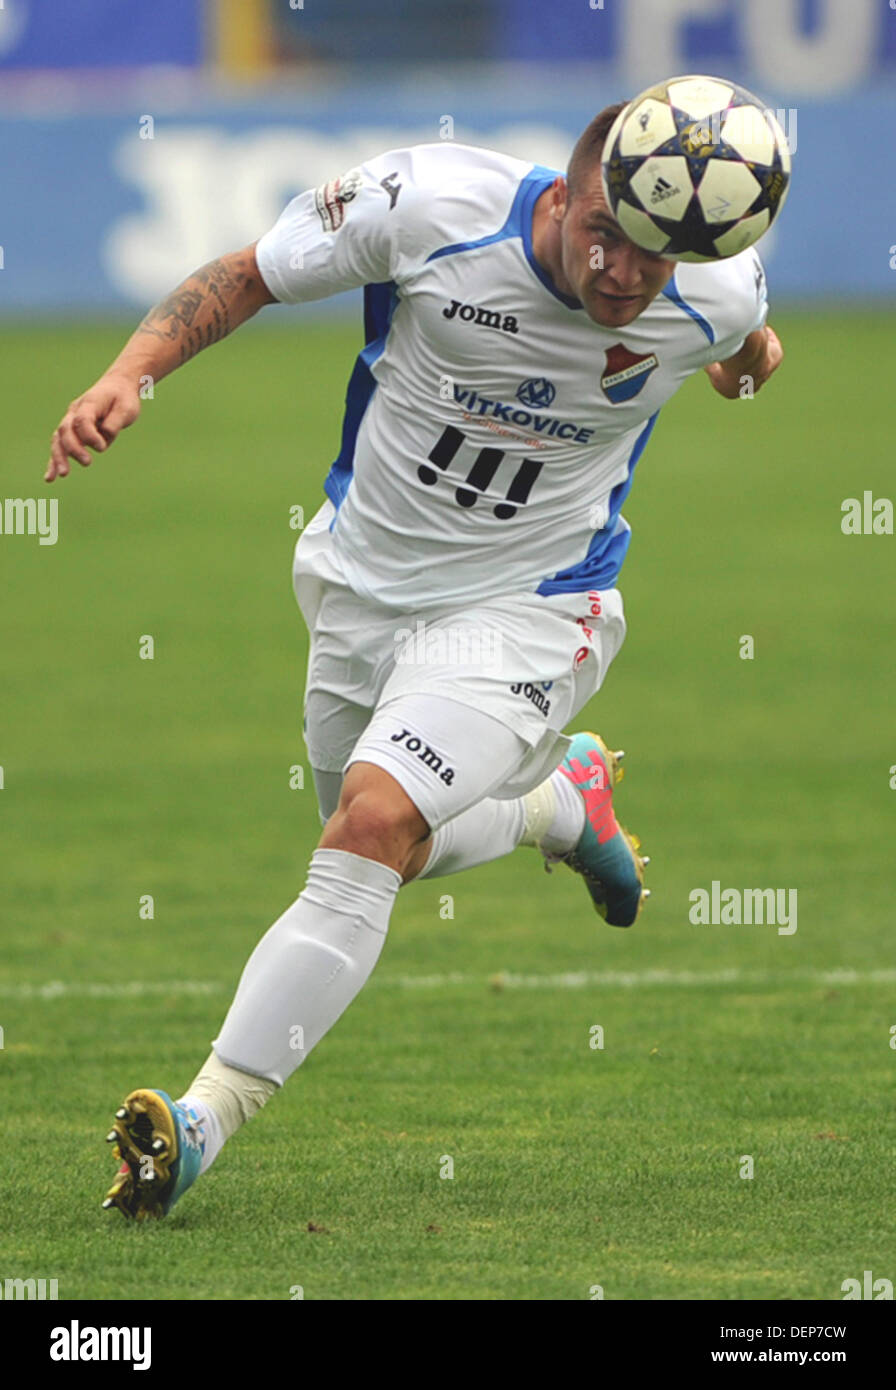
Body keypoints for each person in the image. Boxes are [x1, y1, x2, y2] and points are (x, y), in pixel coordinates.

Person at [46, 102, 783, 1220]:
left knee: (374, 823)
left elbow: (743, 340)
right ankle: (557, 808)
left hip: (533, 606)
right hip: (361, 585)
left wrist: (743, 365)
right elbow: (247, 272)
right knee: (372, 834)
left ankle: (200, 1122)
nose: (625, 271)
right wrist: (126, 377)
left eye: (655, 252)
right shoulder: (426, 207)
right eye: (604, 232)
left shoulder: (711, 288)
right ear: (565, 192)